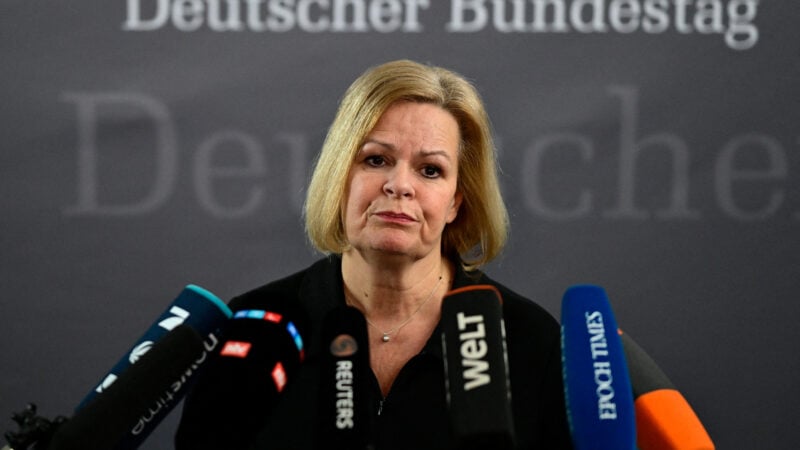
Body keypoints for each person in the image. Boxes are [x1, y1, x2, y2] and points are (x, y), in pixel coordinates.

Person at [175, 59, 572, 449]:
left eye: (430, 170)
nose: (399, 185)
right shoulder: (258, 329)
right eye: (375, 160)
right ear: (340, 179)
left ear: (456, 202)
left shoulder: (527, 339)